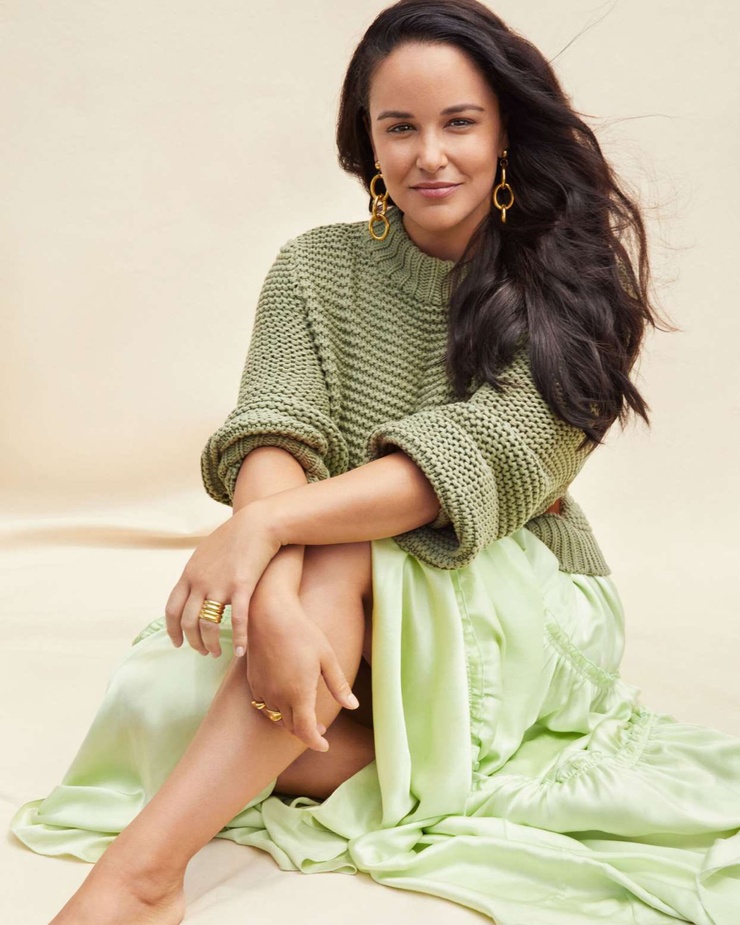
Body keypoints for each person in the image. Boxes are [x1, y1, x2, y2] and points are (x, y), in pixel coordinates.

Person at [9, 1, 740, 923]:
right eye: (400, 127)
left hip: (515, 589)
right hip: (322, 579)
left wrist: (263, 532)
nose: (429, 155)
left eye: (459, 123)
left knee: (338, 564)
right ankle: (408, 758)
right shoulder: (313, 268)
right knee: (195, 709)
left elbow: (461, 463)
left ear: (506, 131)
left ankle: (138, 878)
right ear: (368, 140)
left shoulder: (572, 286)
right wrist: (271, 598)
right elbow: (276, 431)